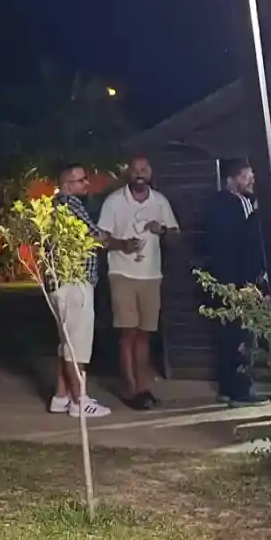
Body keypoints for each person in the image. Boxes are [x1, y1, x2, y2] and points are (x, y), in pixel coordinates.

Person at [98, 156, 180, 410]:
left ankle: (143, 387)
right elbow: (101, 238)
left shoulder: (160, 201)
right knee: (128, 333)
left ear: (150, 172)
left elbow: (176, 235)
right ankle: (130, 388)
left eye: (144, 169)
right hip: (122, 273)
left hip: (151, 275)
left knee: (144, 334)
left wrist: (162, 231)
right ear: (129, 174)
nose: (139, 174)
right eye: (135, 170)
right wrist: (122, 244)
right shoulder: (114, 201)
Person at [46, 162, 110, 420]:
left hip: (59, 283)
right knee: (77, 346)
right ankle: (79, 401)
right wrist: (110, 237)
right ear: (67, 184)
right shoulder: (70, 203)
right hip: (75, 282)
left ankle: (61, 396)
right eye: (81, 180)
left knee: (67, 342)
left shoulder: (53, 206)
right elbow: (95, 235)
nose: (87, 184)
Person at [207, 158, 263, 404]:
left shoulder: (215, 203)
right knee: (240, 336)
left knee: (226, 334)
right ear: (231, 179)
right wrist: (250, 279)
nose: (250, 181)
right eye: (245, 177)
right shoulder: (237, 203)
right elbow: (246, 242)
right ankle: (239, 390)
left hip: (222, 276)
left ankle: (226, 387)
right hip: (237, 278)